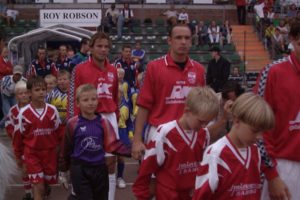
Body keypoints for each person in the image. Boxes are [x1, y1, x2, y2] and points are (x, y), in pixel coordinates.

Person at [132, 24, 206, 160]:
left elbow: (202, 108)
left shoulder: (199, 70)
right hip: (159, 133)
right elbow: (143, 106)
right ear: (169, 41)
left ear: (191, 41)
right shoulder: (154, 67)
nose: (183, 42)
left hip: (189, 134)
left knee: (188, 179)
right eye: (178, 37)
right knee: (154, 179)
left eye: (187, 38)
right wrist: (137, 140)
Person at [133, 86, 219, 200]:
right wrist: (142, 195)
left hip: (191, 194)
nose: (204, 126)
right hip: (167, 194)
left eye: (207, 122)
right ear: (187, 111)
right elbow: (147, 168)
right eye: (201, 121)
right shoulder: (165, 133)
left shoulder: (204, 134)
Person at [193, 93, 275, 199]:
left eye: (263, 132)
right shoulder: (216, 154)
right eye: (255, 131)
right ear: (237, 122)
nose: (259, 136)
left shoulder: (255, 151)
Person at [68, 32, 119, 200]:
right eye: (99, 46)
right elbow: (72, 99)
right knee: (85, 162)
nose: (103, 50)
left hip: (109, 119)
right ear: (91, 48)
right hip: (87, 119)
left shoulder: (113, 69)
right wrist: (72, 125)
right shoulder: (80, 69)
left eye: (106, 47)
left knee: (110, 164)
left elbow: (115, 96)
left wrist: (116, 119)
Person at [254, 17, 300, 200]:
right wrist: (272, 174)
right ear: (294, 40)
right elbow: (258, 126)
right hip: (283, 167)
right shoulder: (273, 72)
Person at [14, 76, 63, 200]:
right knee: (38, 187)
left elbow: (59, 134)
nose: (41, 92)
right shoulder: (23, 113)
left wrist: (60, 153)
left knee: (45, 187)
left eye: (43, 89)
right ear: (29, 93)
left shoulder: (52, 111)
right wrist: (19, 157)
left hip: (50, 154)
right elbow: (18, 137)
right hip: (32, 154)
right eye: (37, 90)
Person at [5, 80, 32, 200]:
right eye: (21, 93)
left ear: (30, 94)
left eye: (26, 93)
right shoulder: (13, 111)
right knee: (24, 170)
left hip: (34, 144)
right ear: (16, 96)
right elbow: (8, 125)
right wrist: (14, 134)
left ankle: (41, 187)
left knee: (36, 169)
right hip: (20, 147)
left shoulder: (34, 108)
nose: (24, 95)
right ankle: (29, 193)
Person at [116, 84, 133, 189]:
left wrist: (130, 134)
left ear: (122, 93)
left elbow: (129, 123)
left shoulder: (126, 105)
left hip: (122, 132)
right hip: (111, 132)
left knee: (121, 158)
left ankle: (120, 177)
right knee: (109, 158)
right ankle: (108, 177)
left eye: (118, 92)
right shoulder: (108, 105)